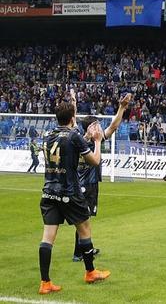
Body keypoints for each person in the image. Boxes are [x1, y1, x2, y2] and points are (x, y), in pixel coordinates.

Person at [38, 101, 110, 295]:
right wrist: (96, 141)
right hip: (69, 192)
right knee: (85, 229)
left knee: (47, 238)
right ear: (72, 118)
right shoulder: (74, 136)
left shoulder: (47, 136)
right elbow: (94, 161)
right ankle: (90, 272)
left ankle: (45, 282)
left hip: (48, 191)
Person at [72, 93, 131, 262]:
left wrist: (122, 108)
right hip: (86, 185)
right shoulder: (87, 142)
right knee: (83, 220)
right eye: (96, 125)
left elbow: (112, 127)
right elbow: (111, 127)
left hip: (85, 184)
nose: (99, 128)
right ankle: (79, 253)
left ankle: (83, 249)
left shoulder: (80, 139)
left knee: (84, 219)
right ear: (90, 128)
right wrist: (122, 107)